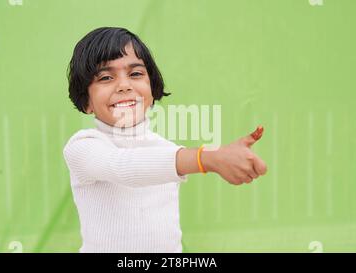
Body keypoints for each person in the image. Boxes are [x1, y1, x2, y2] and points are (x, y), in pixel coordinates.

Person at [63, 27, 267, 253]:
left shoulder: (166, 150)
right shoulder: (83, 146)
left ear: (152, 88)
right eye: (106, 77)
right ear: (86, 101)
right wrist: (209, 158)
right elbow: (123, 165)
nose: (124, 85)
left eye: (136, 74)